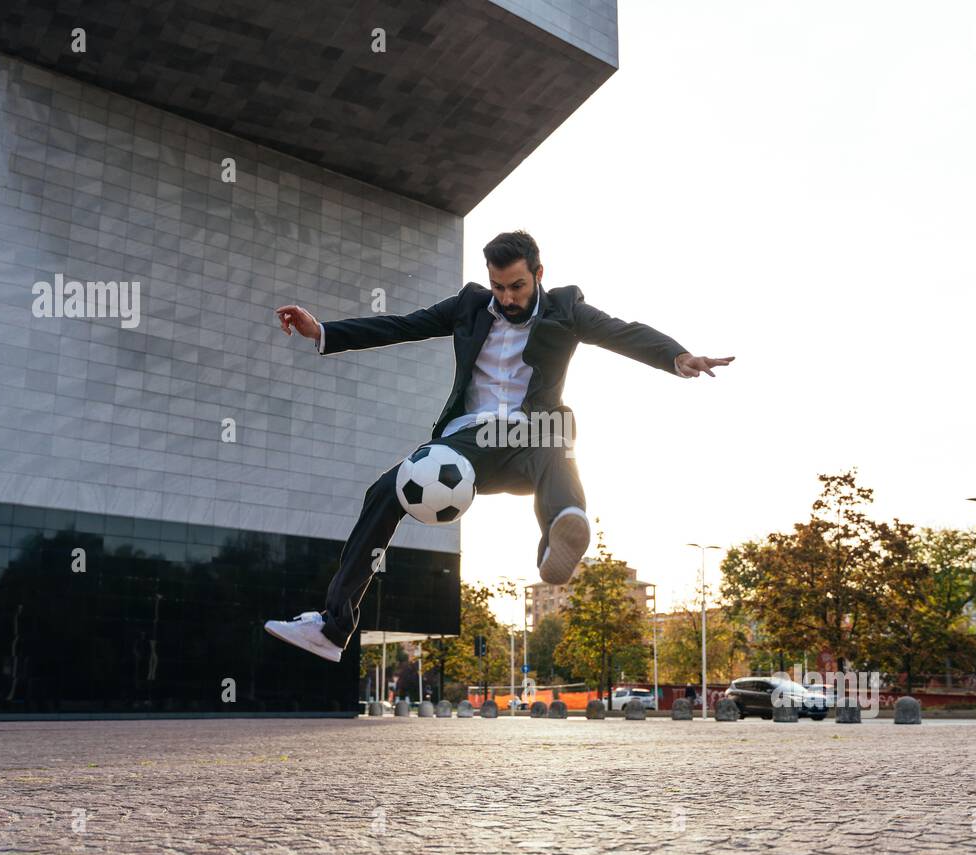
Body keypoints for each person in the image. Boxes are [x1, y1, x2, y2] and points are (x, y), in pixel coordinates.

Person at [264, 230, 734, 663]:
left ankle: (559, 534)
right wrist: (323, 331)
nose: (507, 298)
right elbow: (402, 325)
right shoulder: (469, 305)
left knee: (553, 437)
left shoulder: (566, 308)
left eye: (517, 287)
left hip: (531, 437)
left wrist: (677, 356)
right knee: (383, 492)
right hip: (468, 443)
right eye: (499, 287)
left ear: (538, 275)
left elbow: (620, 331)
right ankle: (333, 627)